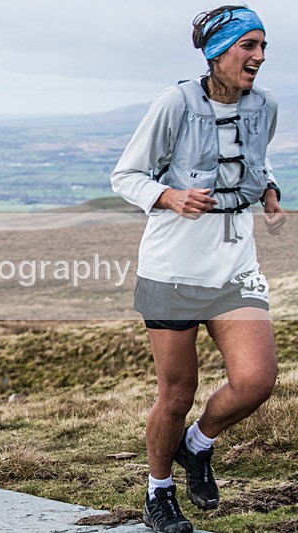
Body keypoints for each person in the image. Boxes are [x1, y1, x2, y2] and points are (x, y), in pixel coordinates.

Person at [111, 6, 285, 533]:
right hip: (173, 270)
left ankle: (198, 445)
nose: (258, 56)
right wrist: (168, 195)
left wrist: (270, 191)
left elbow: (258, 157)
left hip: (235, 266)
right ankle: (158, 493)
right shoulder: (176, 103)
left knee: (256, 380)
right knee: (176, 394)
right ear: (217, 51)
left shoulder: (266, 106)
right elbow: (126, 174)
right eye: (247, 46)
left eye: (262, 46)